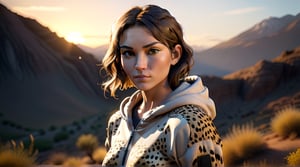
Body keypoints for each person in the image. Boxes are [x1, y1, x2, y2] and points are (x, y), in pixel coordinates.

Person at [101, 4, 223, 167]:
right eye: (128, 53)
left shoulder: (189, 122)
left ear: (175, 54)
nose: (139, 65)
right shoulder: (117, 122)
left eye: (152, 51)